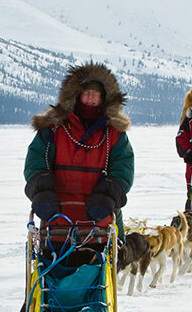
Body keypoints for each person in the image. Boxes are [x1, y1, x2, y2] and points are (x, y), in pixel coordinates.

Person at [24, 62, 134, 230]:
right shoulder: (54, 127)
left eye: (95, 94)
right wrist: (41, 191)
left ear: (103, 97)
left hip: (102, 221)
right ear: (76, 95)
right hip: (56, 219)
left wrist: (108, 194)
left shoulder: (114, 133)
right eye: (86, 93)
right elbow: (36, 160)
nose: (90, 98)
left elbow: (123, 167)